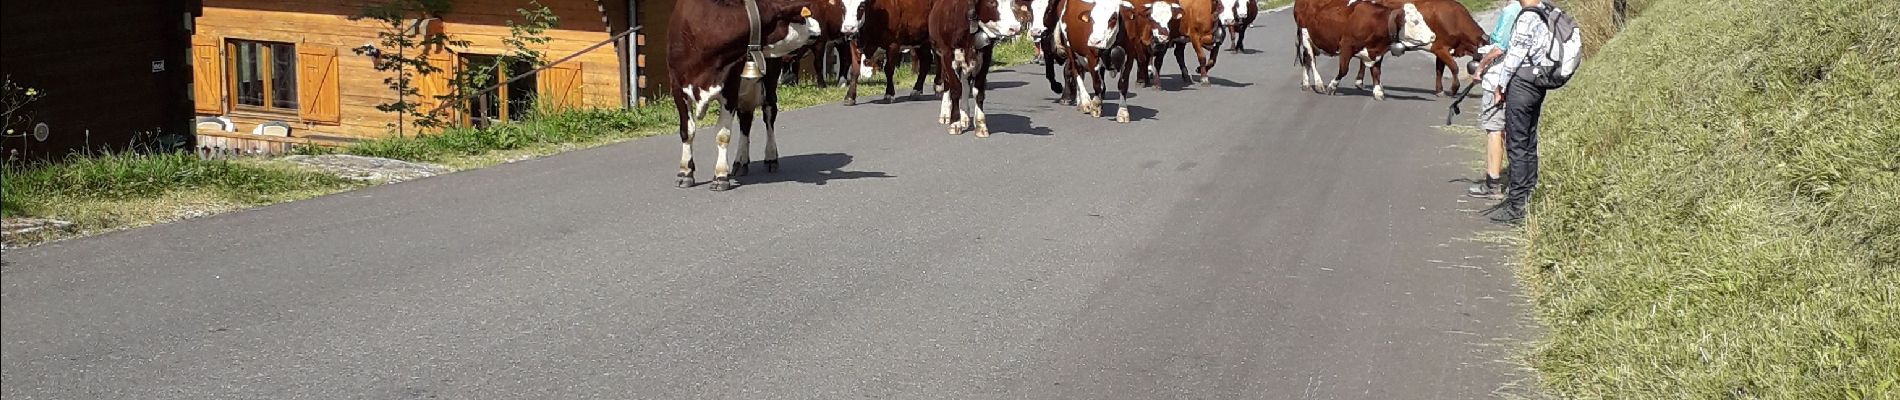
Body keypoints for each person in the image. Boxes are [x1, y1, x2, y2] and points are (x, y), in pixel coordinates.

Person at [1477, 0, 1555, 224]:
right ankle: (1529, 195)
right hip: (1538, 79)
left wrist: (1501, 86)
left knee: (1517, 144)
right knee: (1529, 141)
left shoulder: (1526, 15)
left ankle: (1517, 205)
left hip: (1522, 83)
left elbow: (1514, 56)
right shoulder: (1545, 11)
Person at [1464, 0, 1522, 200]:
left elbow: (1499, 47)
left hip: (1498, 78)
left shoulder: (1511, 10)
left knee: (1494, 129)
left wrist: (1480, 67)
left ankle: (1493, 183)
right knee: (1516, 130)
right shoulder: (1537, 8)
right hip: (1522, 80)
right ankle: (1519, 179)